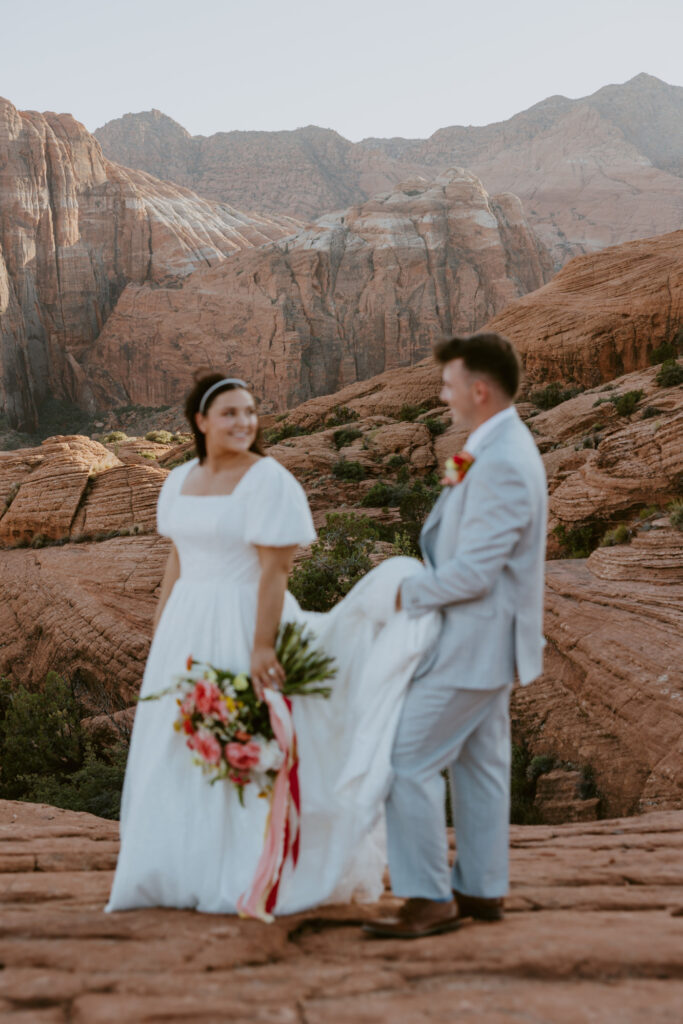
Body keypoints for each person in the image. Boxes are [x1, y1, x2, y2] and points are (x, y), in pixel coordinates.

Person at [106, 373, 437, 915]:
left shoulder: (269, 480)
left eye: (250, 412)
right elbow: (177, 559)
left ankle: (246, 871)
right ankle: (176, 871)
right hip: (187, 625)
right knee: (182, 744)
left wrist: (263, 647)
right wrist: (161, 628)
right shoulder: (179, 480)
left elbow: (274, 571)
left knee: (244, 741)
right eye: (231, 413)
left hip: (244, 618)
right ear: (201, 421)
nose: (244, 422)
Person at [364, 332, 548, 939]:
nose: (442, 395)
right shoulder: (479, 445)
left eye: (448, 385)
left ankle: (427, 897)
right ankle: (482, 887)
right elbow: (447, 528)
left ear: (477, 388)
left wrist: (401, 594)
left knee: (406, 761)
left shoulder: (503, 461)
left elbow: (474, 573)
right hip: (482, 640)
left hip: (473, 639)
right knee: (482, 764)